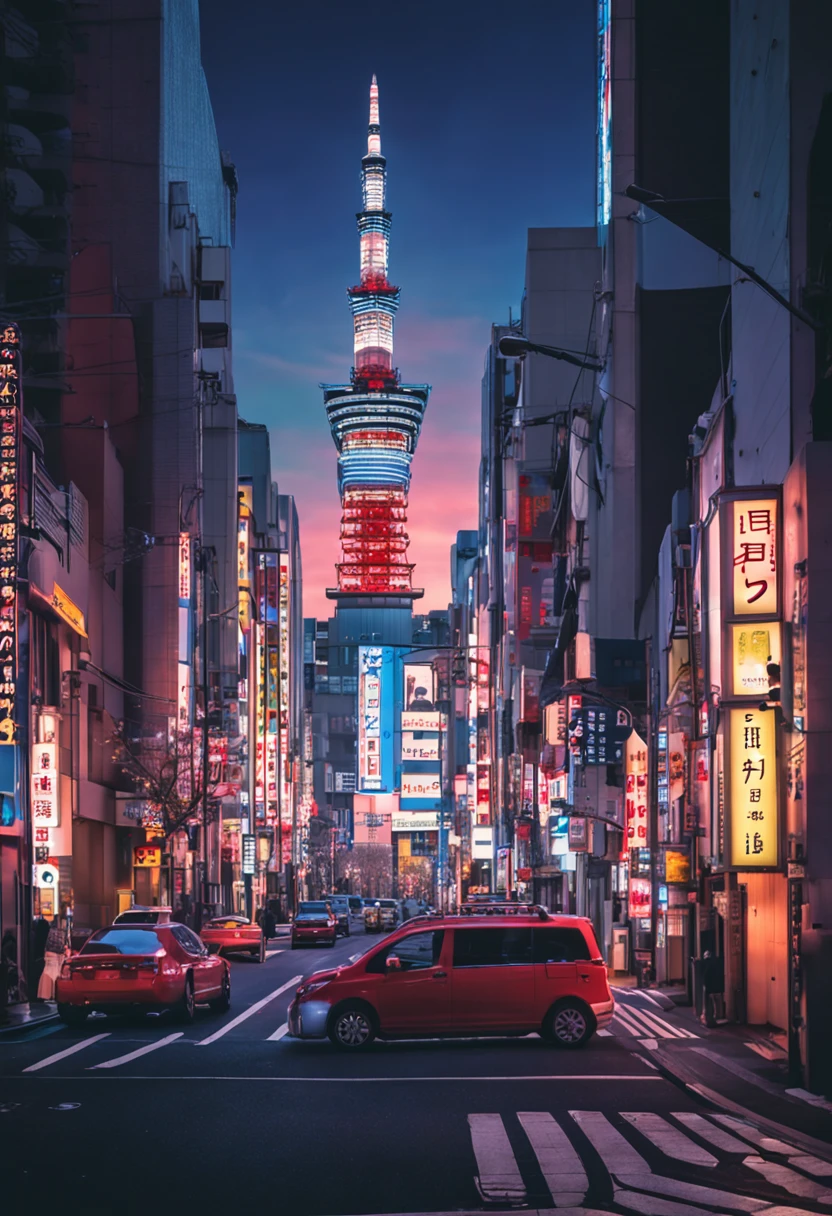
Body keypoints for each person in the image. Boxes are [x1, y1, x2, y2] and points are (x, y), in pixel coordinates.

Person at [37, 918, 67, 1002]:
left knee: (48, 971)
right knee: (54, 972)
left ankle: (47, 994)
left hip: (49, 956)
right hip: (55, 956)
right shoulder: (59, 936)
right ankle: (53, 994)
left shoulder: (40, 937)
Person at [702, 950, 724, 1027]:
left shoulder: (707, 966)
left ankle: (710, 1020)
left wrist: (707, 987)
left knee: (709, 1004)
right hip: (717, 988)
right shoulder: (718, 964)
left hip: (710, 989)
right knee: (717, 1006)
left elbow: (706, 978)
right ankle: (715, 1019)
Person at [32, 914, 51, 1001]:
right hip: (42, 960)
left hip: (36, 960)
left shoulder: (34, 937)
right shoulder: (47, 939)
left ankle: (36, 995)